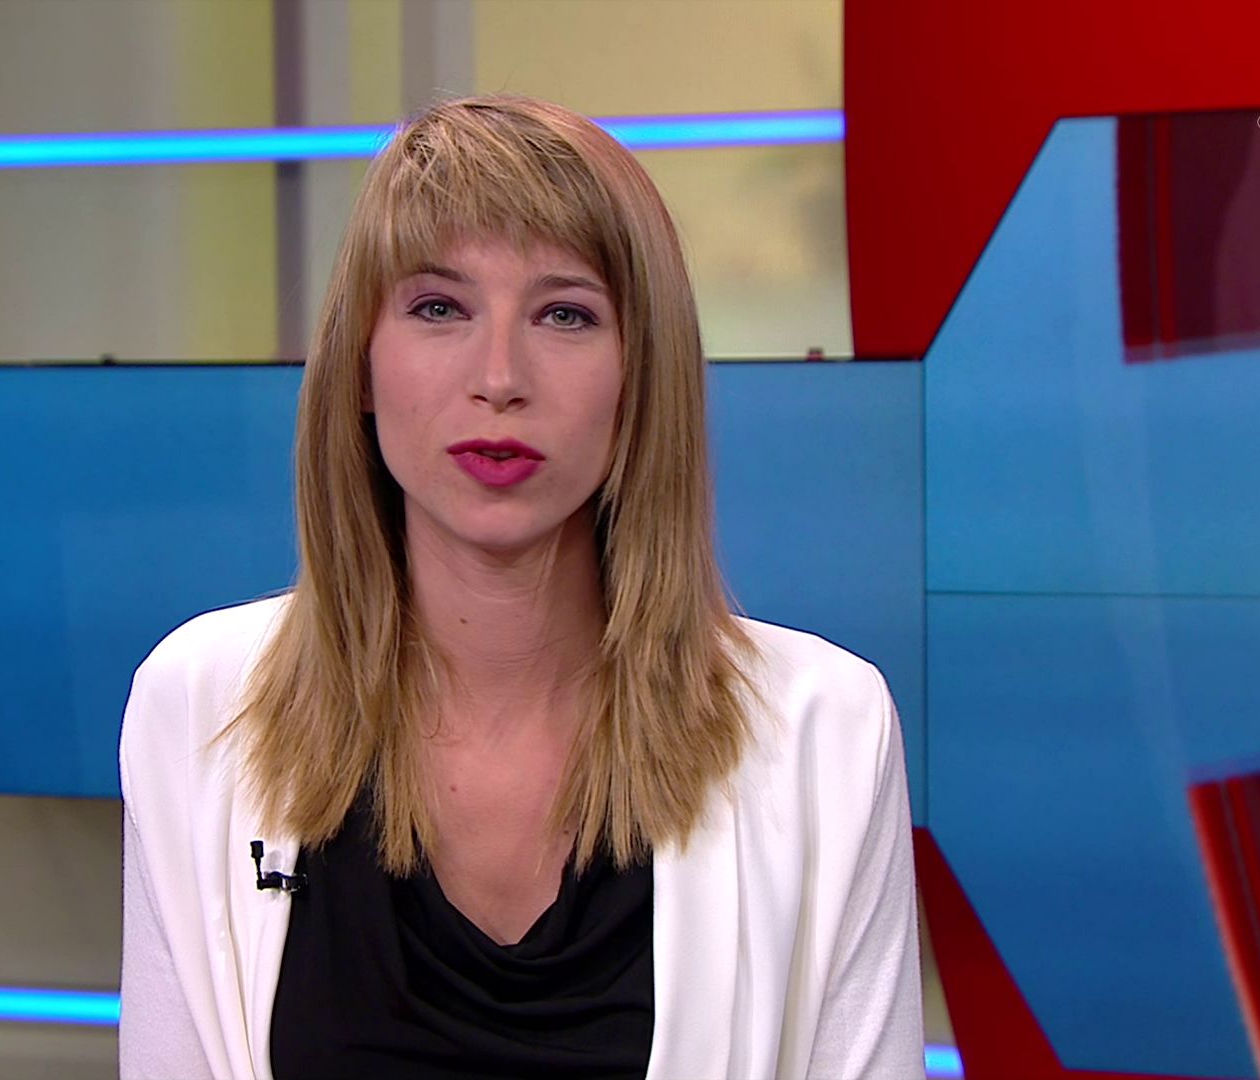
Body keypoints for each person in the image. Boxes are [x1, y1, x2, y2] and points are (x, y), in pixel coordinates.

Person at [118, 93, 923, 1080]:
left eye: (565, 314)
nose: (499, 376)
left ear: (641, 378)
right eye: (439, 308)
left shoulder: (824, 730)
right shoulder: (201, 706)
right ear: (361, 365)